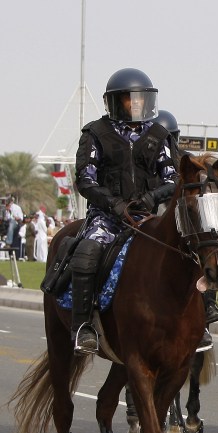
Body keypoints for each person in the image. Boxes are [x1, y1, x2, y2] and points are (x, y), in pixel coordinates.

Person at [69, 68, 177, 354]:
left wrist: (152, 198)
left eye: (141, 99)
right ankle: (84, 326)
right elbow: (85, 179)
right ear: (116, 102)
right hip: (107, 217)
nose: (137, 104)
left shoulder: (160, 134)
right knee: (87, 251)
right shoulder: (95, 133)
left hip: (147, 216)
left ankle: (200, 322)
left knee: (186, 248)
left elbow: (173, 179)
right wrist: (113, 204)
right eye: (130, 99)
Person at [151, 109, 215, 351]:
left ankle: (208, 315)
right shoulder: (142, 157)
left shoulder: (188, 161)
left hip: (183, 223)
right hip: (148, 217)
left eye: (169, 138)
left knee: (208, 260)